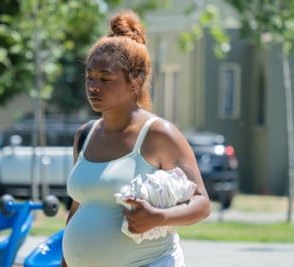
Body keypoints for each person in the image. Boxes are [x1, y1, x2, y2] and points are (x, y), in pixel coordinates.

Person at [61, 9, 210, 267]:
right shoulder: (85, 135)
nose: (93, 86)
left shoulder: (158, 134)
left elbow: (201, 204)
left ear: (135, 80)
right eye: (90, 77)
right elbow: (78, 209)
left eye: (106, 79)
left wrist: (159, 217)